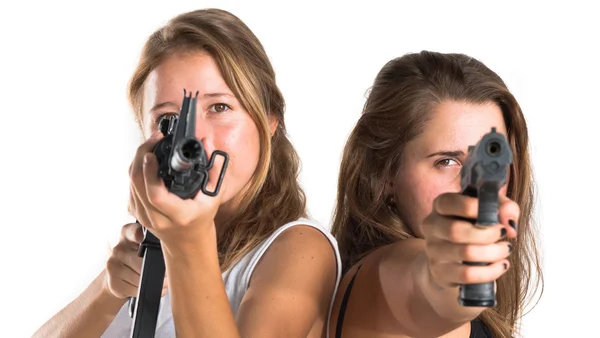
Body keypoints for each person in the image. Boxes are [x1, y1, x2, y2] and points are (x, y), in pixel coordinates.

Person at [33, 8, 341, 338]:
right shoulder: (155, 245)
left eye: (219, 108)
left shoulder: (299, 249)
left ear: (269, 121)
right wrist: (107, 291)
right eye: (168, 121)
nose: (195, 138)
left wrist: (188, 244)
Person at [328, 51, 543, 338]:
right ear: (386, 174)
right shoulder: (384, 275)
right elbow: (425, 283)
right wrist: (457, 275)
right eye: (446, 161)